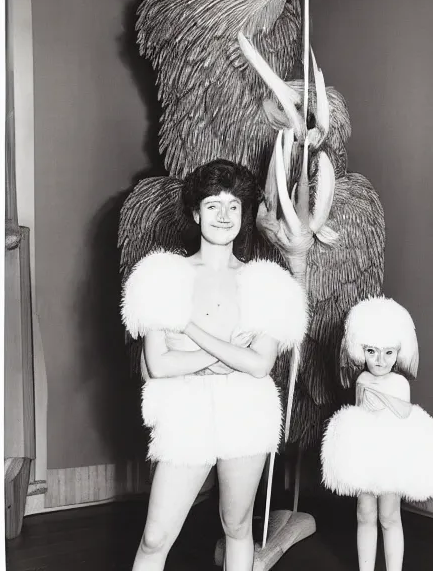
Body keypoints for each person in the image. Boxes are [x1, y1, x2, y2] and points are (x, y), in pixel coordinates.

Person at [121, 159, 308, 571]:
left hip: (247, 411)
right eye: (212, 206)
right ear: (195, 212)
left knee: (236, 524)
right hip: (185, 415)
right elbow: (159, 363)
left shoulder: (267, 283)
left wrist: (191, 332)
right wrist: (226, 354)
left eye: (233, 206)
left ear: (243, 214)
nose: (223, 216)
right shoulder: (162, 276)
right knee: (154, 538)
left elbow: (259, 365)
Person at [320, 297, 433, 571]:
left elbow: (403, 412)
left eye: (388, 353)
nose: (380, 360)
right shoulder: (362, 380)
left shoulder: (399, 382)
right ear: (361, 349)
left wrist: (379, 399)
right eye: (371, 351)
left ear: (399, 351)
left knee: (389, 517)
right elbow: (359, 417)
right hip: (367, 456)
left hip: (390, 458)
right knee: (364, 514)